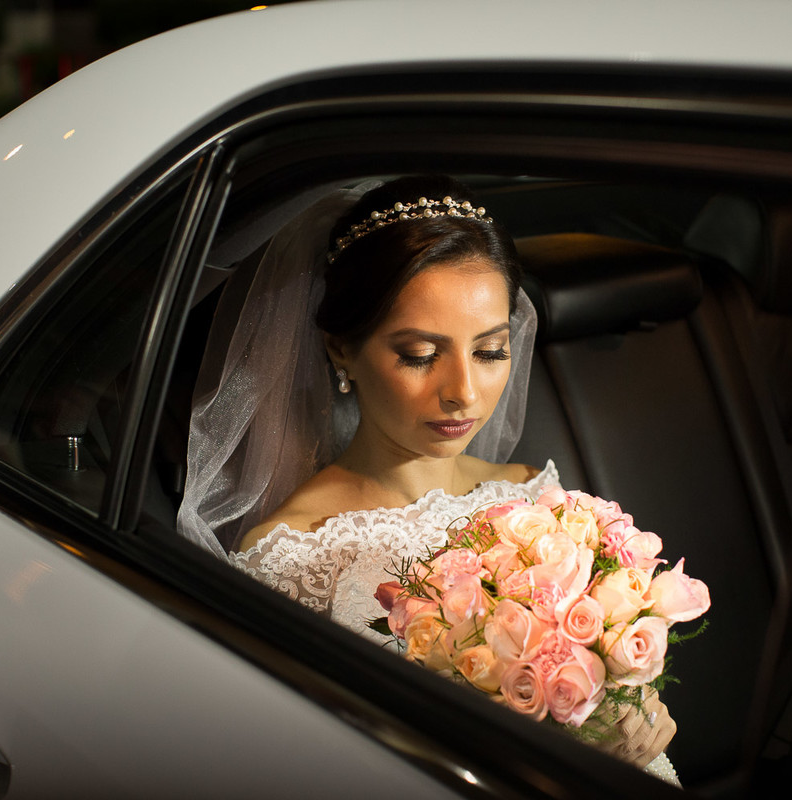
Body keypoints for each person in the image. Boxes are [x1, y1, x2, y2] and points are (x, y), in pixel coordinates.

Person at [177, 176, 678, 783]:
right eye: (419, 354)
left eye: (490, 351)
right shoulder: (290, 556)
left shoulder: (536, 499)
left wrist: (634, 715)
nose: (463, 392)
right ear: (342, 352)